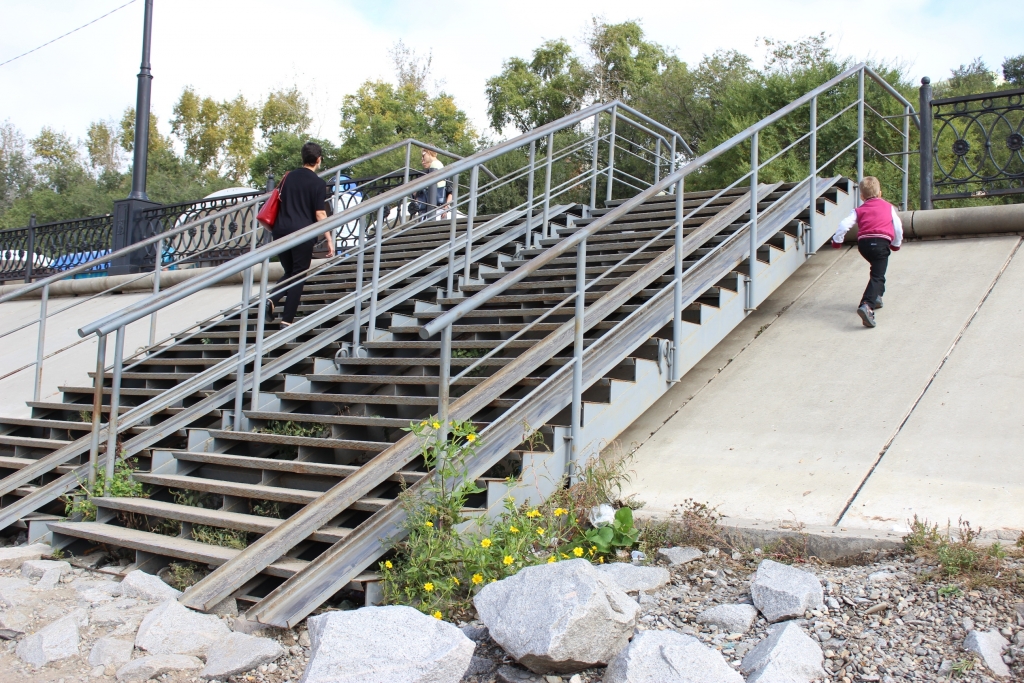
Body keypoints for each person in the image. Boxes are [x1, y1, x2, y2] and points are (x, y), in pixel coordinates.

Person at [266, 142, 335, 327]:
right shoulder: (318, 183)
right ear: (319, 160)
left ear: (303, 158)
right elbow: (320, 214)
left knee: (290, 271)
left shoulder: (288, 177)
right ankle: (286, 321)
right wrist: (329, 239)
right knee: (298, 275)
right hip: (302, 234)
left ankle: (272, 299)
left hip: (281, 232)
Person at [831, 176, 903, 328]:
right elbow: (897, 227)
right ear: (880, 193)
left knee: (877, 271)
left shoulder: (859, 209)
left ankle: (877, 296)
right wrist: (896, 243)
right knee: (878, 275)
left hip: (864, 245)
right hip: (881, 243)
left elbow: (844, 225)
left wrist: (837, 241)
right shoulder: (888, 207)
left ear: (862, 196)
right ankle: (867, 305)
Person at [410, 148, 453, 220]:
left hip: (437, 208)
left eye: (423, 155)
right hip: (430, 209)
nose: (422, 159)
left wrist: (446, 207)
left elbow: (450, 191)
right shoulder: (433, 170)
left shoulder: (437, 166)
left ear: (429, 152)